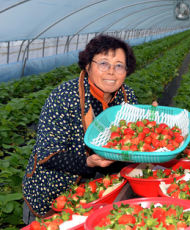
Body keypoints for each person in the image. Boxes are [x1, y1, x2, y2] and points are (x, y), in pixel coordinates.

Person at [22, 35, 146, 223]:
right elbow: (47, 154)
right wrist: (88, 162)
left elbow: (128, 142)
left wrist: (148, 127)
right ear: (88, 65)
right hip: (53, 193)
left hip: (99, 191)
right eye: (103, 63)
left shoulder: (126, 96)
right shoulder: (64, 96)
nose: (112, 72)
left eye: (119, 65)